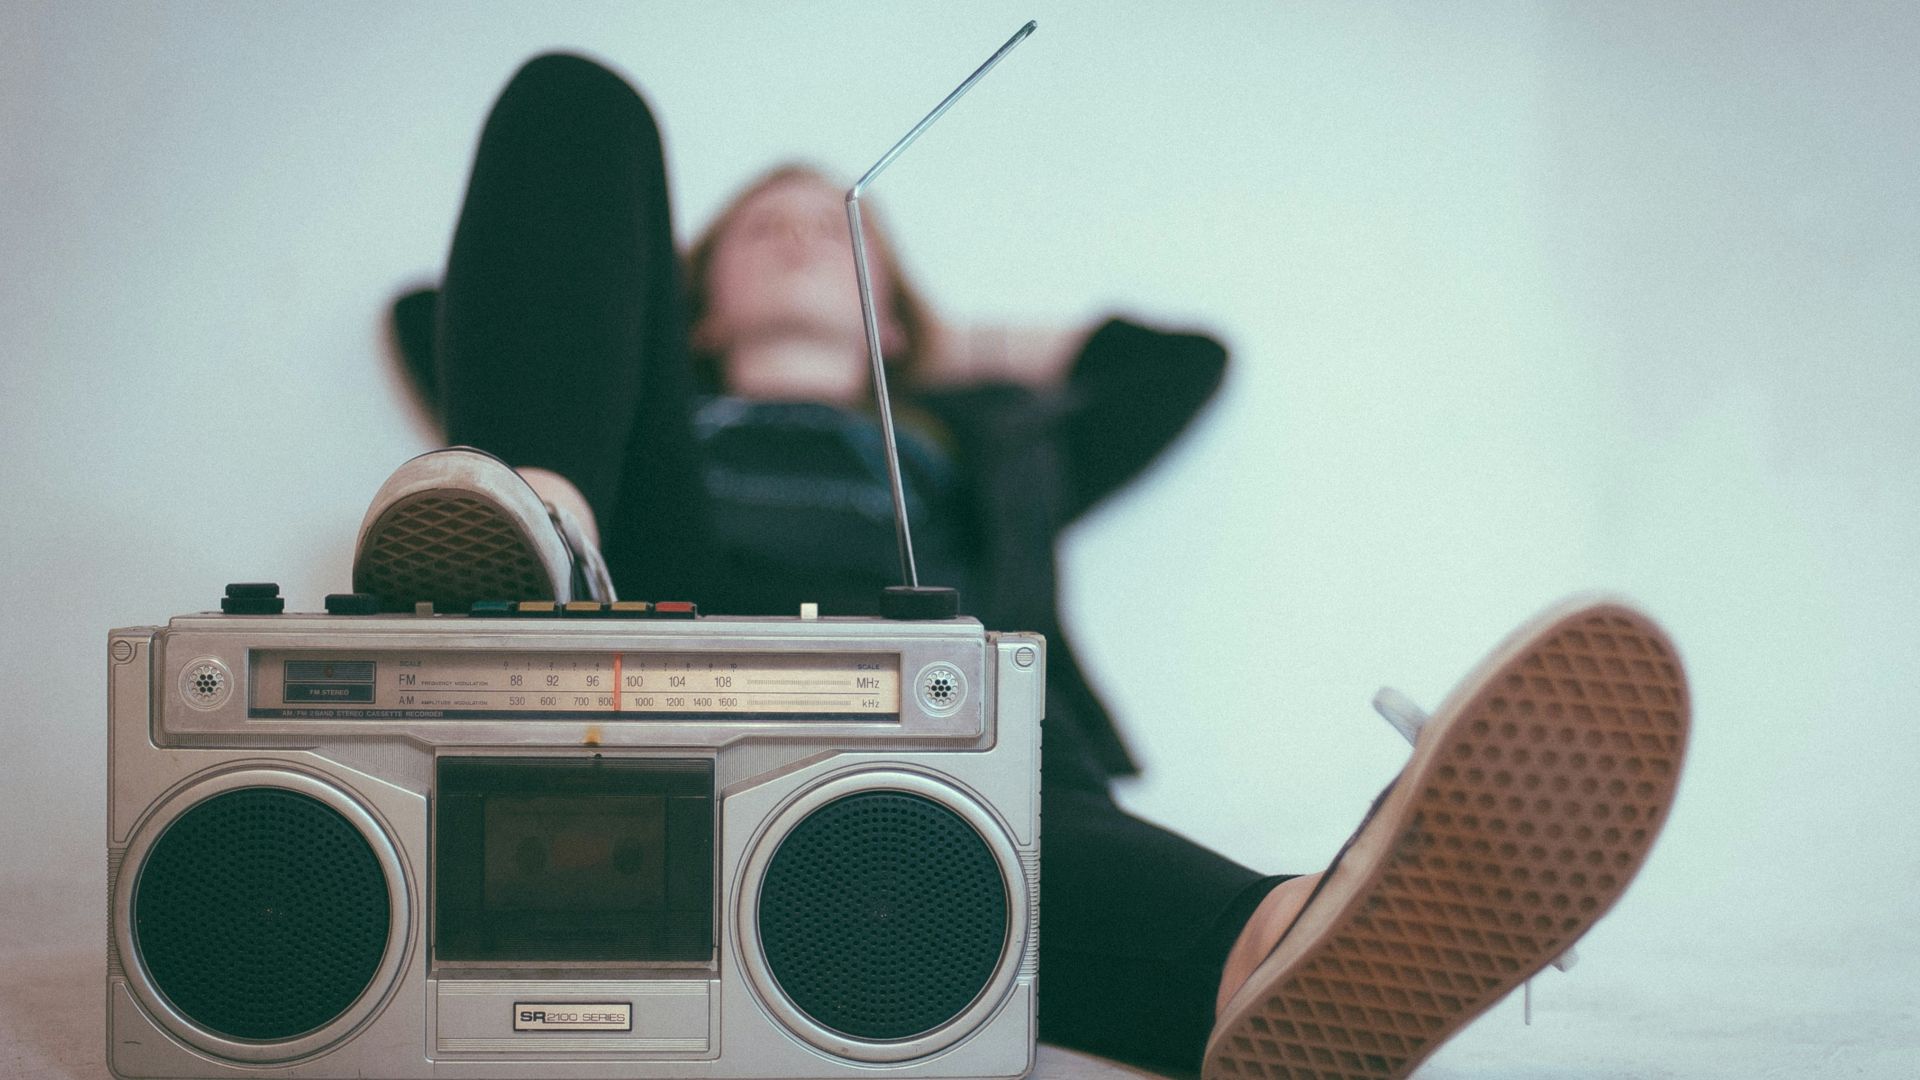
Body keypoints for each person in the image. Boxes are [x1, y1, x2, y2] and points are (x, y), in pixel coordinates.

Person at [356, 53, 1691, 1079]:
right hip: (650, 627)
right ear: (690, 290)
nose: (801, 235)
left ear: (899, 298)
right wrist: (617, 378)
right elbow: (447, 314)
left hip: (936, 723)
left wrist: (938, 346)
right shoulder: (646, 416)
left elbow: (1178, 364)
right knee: (575, 99)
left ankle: (1290, 951)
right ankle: (535, 540)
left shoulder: (992, 443)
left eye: (841, 232)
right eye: (763, 229)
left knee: (1018, 787)